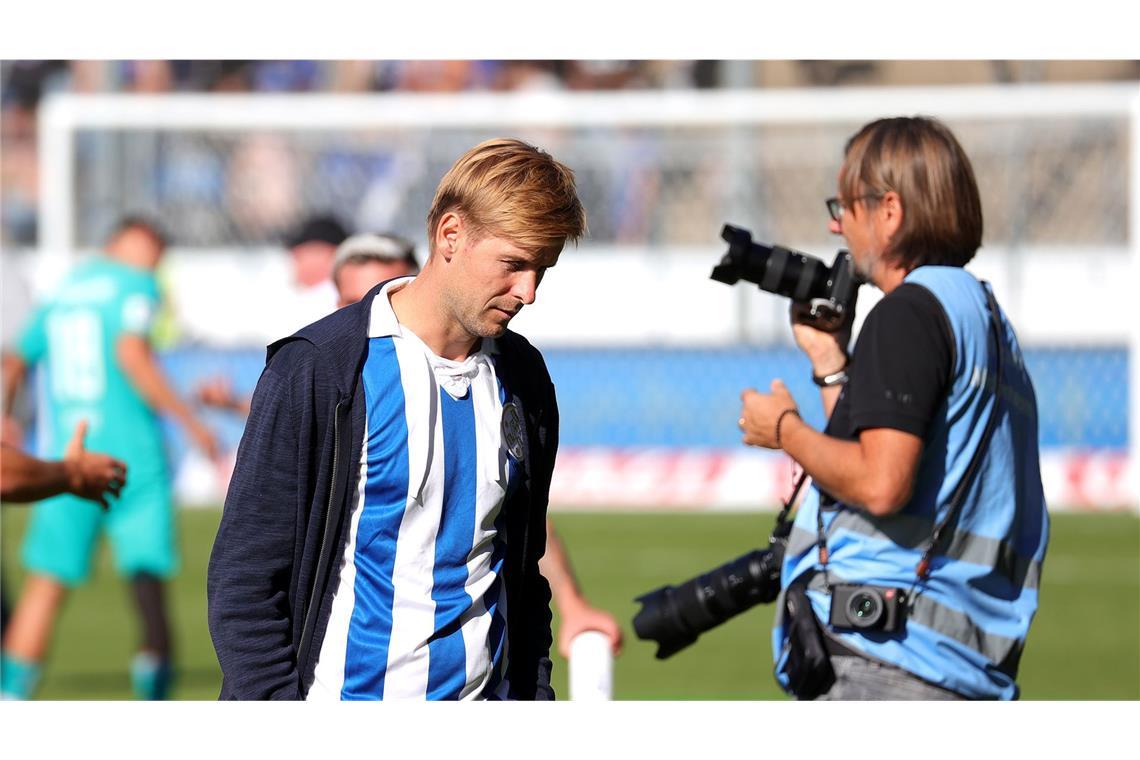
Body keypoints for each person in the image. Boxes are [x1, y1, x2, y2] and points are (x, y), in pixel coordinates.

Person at [207, 137, 588, 700]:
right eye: (513, 265)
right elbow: (245, 581)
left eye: (542, 270)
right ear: (450, 234)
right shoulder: (322, 368)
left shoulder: (525, 378)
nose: (528, 292)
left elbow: (523, 575)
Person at [738, 116, 1048, 700]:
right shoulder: (978, 312)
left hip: (891, 656)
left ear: (890, 211)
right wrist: (831, 363)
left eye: (845, 204)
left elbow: (882, 484)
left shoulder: (907, 313)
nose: (835, 223)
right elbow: (895, 455)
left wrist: (784, 429)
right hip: (960, 658)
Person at [0, 216, 220, 701]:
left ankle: (9, 702)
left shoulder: (62, 292)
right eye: (154, 250)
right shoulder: (137, 286)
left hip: (65, 458)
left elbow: (15, 360)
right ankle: (152, 708)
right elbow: (132, 353)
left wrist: (6, 416)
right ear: (132, 244)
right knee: (147, 583)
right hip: (131, 462)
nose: (155, 261)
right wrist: (191, 421)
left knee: (46, 584)